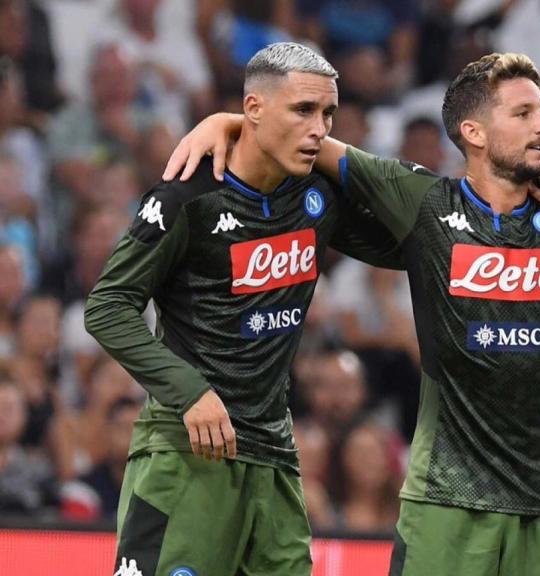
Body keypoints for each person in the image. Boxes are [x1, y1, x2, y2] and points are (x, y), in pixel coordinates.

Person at [166, 31, 540, 576]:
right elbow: (313, 140)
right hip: (444, 504)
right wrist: (230, 121)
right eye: (524, 112)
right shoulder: (422, 203)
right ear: (473, 133)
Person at [84, 42, 404, 575]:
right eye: (304, 110)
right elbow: (108, 305)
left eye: (328, 113)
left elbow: (414, 238)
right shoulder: (186, 197)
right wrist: (190, 392)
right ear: (254, 108)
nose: (320, 128)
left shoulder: (316, 195)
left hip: (274, 463)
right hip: (187, 451)